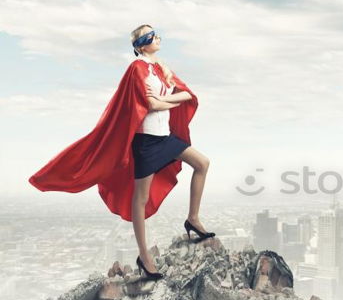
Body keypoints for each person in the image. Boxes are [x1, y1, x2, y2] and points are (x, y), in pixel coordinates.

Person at [29, 24, 215, 279]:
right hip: (147, 142)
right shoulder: (137, 68)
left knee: (202, 164)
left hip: (165, 137)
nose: (158, 37)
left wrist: (170, 100)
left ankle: (193, 219)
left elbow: (185, 95)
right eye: (151, 36)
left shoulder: (161, 69)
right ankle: (144, 256)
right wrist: (167, 101)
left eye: (156, 33)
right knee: (140, 198)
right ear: (140, 45)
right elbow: (149, 104)